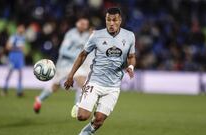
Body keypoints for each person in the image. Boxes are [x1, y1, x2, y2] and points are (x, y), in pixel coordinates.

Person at [64, 7, 136, 135]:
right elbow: (82, 55)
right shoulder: (96, 35)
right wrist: (70, 76)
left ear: (120, 20)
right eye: (108, 20)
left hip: (113, 86)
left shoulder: (129, 36)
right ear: (105, 20)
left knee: (99, 120)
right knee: (82, 116)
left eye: (114, 20)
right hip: (95, 81)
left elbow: (131, 57)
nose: (111, 23)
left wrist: (131, 67)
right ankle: (80, 104)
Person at [33, 17, 93, 113]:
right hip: (64, 65)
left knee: (82, 83)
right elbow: (63, 51)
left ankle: (76, 107)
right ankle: (39, 100)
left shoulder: (87, 35)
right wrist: (77, 56)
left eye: (85, 24)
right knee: (55, 87)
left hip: (75, 65)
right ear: (77, 23)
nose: (84, 25)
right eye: (82, 23)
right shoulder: (71, 34)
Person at [2, 24, 26, 97]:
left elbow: (22, 48)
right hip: (13, 56)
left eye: (23, 28)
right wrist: (18, 48)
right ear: (18, 29)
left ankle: (19, 91)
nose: (22, 29)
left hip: (20, 57)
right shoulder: (13, 37)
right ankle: (4, 89)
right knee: (10, 73)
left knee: (20, 74)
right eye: (21, 28)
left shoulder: (23, 37)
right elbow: (7, 46)